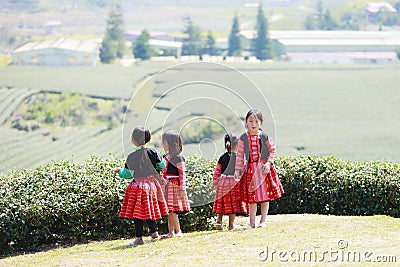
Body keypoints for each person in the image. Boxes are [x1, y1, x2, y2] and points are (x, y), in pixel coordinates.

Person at [115, 126, 168, 246]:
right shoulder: (153, 152)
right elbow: (161, 166)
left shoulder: (131, 156)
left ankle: (139, 238)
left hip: (137, 187)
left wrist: (119, 171)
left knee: (137, 213)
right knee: (149, 209)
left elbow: (128, 174)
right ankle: (154, 233)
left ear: (133, 140)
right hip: (152, 186)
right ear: (148, 139)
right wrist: (163, 160)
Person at [235, 109, 284, 228]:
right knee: (252, 198)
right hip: (250, 171)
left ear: (261, 123)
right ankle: (251, 223)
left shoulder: (264, 136)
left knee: (264, 196)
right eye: (250, 121)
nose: (253, 124)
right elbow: (240, 155)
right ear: (246, 122)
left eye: (256, 121)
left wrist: (268, 163)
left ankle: (263, 221)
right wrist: (238, 170)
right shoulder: (243, 138)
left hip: (263, 170)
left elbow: (272, 150)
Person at [212, 133, 248, 230]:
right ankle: (231, 225)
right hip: (233, 183)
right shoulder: (239, 157)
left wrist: (215, 181)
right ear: (237, 145)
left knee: (222, 203)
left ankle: (219, 221)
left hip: (222, 182)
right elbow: (242, 170)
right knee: (232, 205)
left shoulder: (222, 157)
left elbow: (217, 171)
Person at [160, 129, 190, 239]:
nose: (162, 144)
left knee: (172, 210)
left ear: (171, 143)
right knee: (169, 210)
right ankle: (170, 232)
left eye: (164, 142)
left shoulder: (178, 157)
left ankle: (178, 231)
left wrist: (182, 188)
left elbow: (182, 173)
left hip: (175, 186)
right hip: (167, 185)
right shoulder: (165, 157)